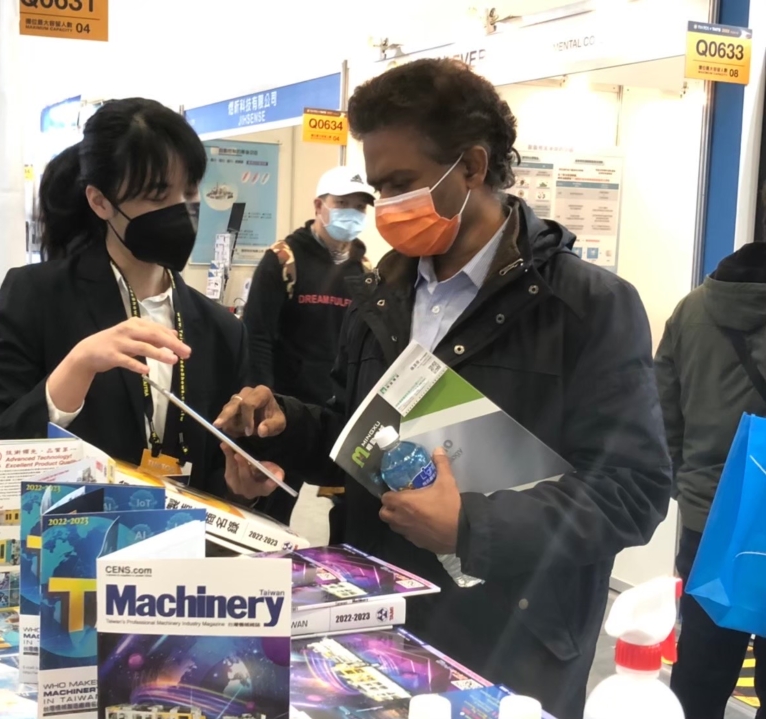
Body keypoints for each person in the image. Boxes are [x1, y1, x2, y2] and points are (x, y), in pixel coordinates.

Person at [214, 58, 671, 719]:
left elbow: (632, 488)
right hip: (378, 618)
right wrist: (284, 427)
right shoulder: (378, 293)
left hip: (514, 642)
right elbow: (358, 431)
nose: (388, 209)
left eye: (401, 184)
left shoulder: (587, 306)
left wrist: (471, 525)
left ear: (473, 167)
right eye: (379, 187)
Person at [0, 98, 252, 498]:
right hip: (69, 546)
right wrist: (77, 368)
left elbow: (224, 474)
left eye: (189, 192)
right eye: (157, 196)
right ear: (100, 201)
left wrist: (246, 481)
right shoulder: (36, 296)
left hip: (185, 553)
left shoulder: (222, 330)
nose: (181, 211)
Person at [655, 240, 766, 719]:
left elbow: (662, 416)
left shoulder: (691, 309)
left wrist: (693, 485)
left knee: (701, 666)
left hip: (710, 520)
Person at [242, 167, 373, 531]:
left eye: (360, 207)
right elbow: (258, 337)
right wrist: (261, 399)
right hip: (284, 414)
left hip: (337, 418)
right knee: (269, 514)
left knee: (348, 518)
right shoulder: (284, 260)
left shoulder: (364, 269)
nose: (352, 213)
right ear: (319, 205)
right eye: (343, 204)